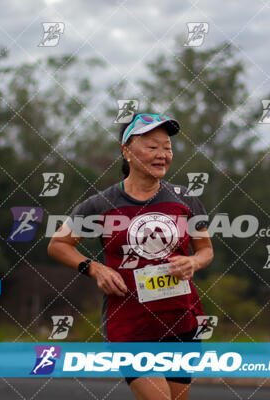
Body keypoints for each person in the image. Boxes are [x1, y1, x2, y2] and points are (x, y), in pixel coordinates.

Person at [48, 113, 214, 400]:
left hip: (181, 321)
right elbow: (58, 244)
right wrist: (95, 268)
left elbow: (205, 249)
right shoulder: (101, 204)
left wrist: (193, 262)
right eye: (152, 147)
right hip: (130, 324)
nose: (162, 154)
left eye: (167, 147)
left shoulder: (184, 199)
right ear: (126, 151)